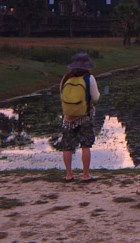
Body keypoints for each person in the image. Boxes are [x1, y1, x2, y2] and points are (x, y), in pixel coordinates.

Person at [59, 52, 100, 182]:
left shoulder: (66, 78)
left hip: (68, 117)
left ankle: (69, 175)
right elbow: (96, 97)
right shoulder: (89, 78)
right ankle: (85, 174)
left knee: (67, 146)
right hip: (84, 116)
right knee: (86, 145)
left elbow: (62, 96)